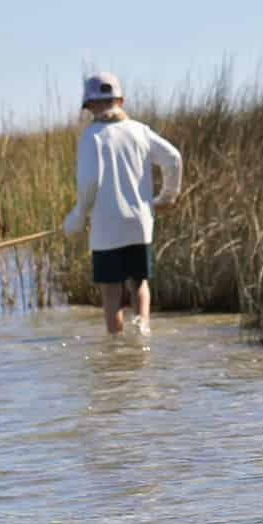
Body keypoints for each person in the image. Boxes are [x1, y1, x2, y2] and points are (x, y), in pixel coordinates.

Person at [61, 72, 183, 336]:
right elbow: (173, 158)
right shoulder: (140, 131)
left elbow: (89, 183)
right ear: (121, 100)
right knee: (139, 284)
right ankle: (142, 333)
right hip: (139, 224)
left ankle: (116, 348)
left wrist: (78, 217)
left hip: (106, 229)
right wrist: (166, 198)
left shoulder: (91, 136)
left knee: (111, 291)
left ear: (89, 105)